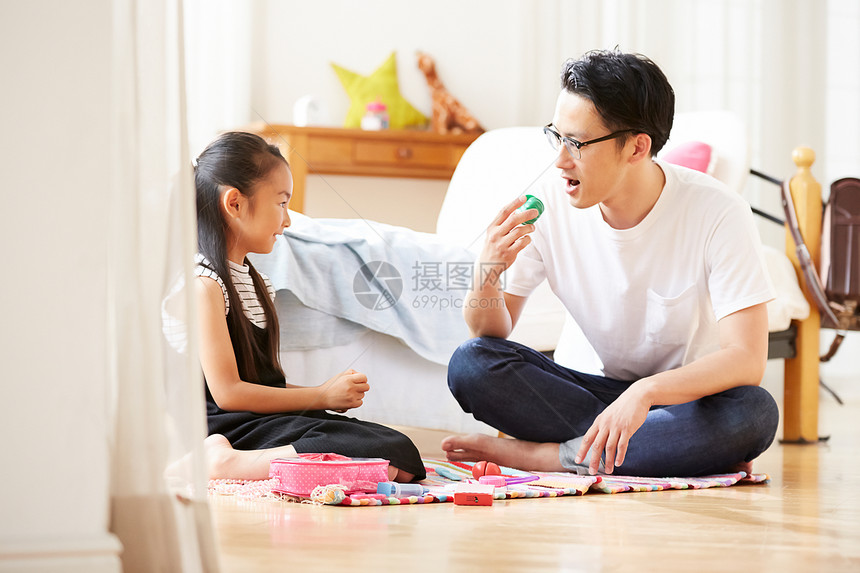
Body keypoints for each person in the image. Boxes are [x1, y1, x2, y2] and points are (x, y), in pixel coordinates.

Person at [442, 50, 779, 477]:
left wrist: (645, 393)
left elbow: (746, 358)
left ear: (637, 147)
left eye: (577, 144)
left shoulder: (718, 211)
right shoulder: (549, 199)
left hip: (677, 401)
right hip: (582, 392)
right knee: (471, 363)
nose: (560, 160)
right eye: (556, 137)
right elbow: (490, 333)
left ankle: (548, 457)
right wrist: (487, 270)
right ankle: (659, 449)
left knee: (753, 413)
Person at [192, 131, 424, 481]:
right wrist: (319, 395)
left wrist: (326, 396)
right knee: (373, 454)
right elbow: (228, 394)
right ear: (235, 204)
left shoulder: (257, 282)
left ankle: (273, 463)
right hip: (225, 426)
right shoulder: (204, 286)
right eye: (281, 203)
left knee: (396, 448)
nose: (287, 220)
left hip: (255, 420)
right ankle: (226, 464)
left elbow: (263, 385)